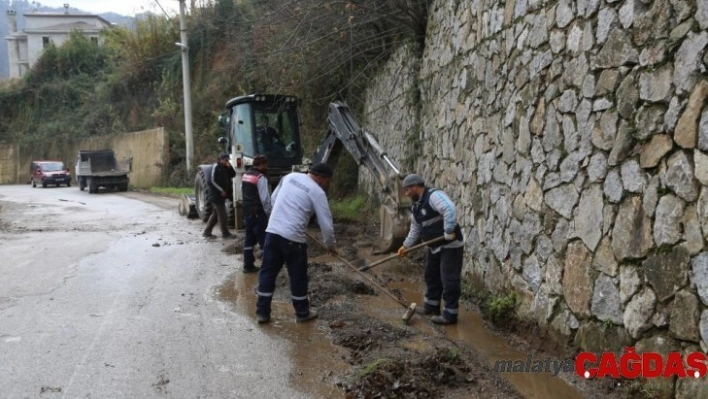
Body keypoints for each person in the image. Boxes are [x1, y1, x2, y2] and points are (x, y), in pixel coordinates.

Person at [255, 163, 337, 324]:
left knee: (267, 274)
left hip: (272, 232)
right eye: (328, 181)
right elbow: (326, 224)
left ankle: (262, 314)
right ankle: (302, 313)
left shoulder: (289, 177)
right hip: (293, 239)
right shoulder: (318, 192)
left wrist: (281, 217)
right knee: (298, 277)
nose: (328, 184)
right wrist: (331, 246)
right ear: (321, 178)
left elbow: (273, 199)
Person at [397, 174, 464, 325]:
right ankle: (431, 306)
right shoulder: (416, 206)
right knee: (431, 276)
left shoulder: (433, 196)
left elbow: (449, 209)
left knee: (449, 279)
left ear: (415, 186)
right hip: (434, 246)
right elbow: (416, 228)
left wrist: (448, 230)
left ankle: (449, 315)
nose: (406, 194)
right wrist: (406, 246)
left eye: (407, 190)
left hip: (450, 245)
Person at [241, 154, 272, 274]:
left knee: (249, 239)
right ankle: (267, 267)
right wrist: (269, 214)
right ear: (261, 165)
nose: (267, 167)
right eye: (266, 164)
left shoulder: (246, 174)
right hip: (258, 212)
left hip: (247, 211)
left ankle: (247, 265)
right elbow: (265, 199)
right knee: (264, 240)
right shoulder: (261, 177)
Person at [203, 153, 236, 239]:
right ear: (221, 159)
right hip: (216, 195)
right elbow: (211, 181)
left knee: (215, 214)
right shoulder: (216, 167)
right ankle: (225, 233)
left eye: (228, 160)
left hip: (221, 195)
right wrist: (221, 190)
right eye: (226, 160)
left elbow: (233, 174)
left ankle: (207, 232)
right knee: (223, 215)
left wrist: (229, 167)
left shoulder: (225, 167)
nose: (227, 162)